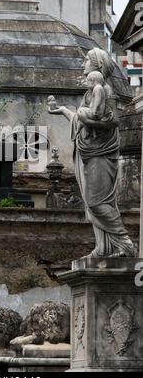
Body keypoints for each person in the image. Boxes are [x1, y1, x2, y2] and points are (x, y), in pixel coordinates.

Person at [48, 47, 135, 259]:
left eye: (86, 60)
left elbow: (112, 120)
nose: (82, 64)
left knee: (97, 201)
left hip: (101, 153)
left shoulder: (106, 90)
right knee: (91, 203)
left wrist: (84, 117)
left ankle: (125, 243)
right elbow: (82, 122)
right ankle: (104, 247)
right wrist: (63, 111)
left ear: (98, 64)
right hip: (90, 152)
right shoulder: (91, 92)